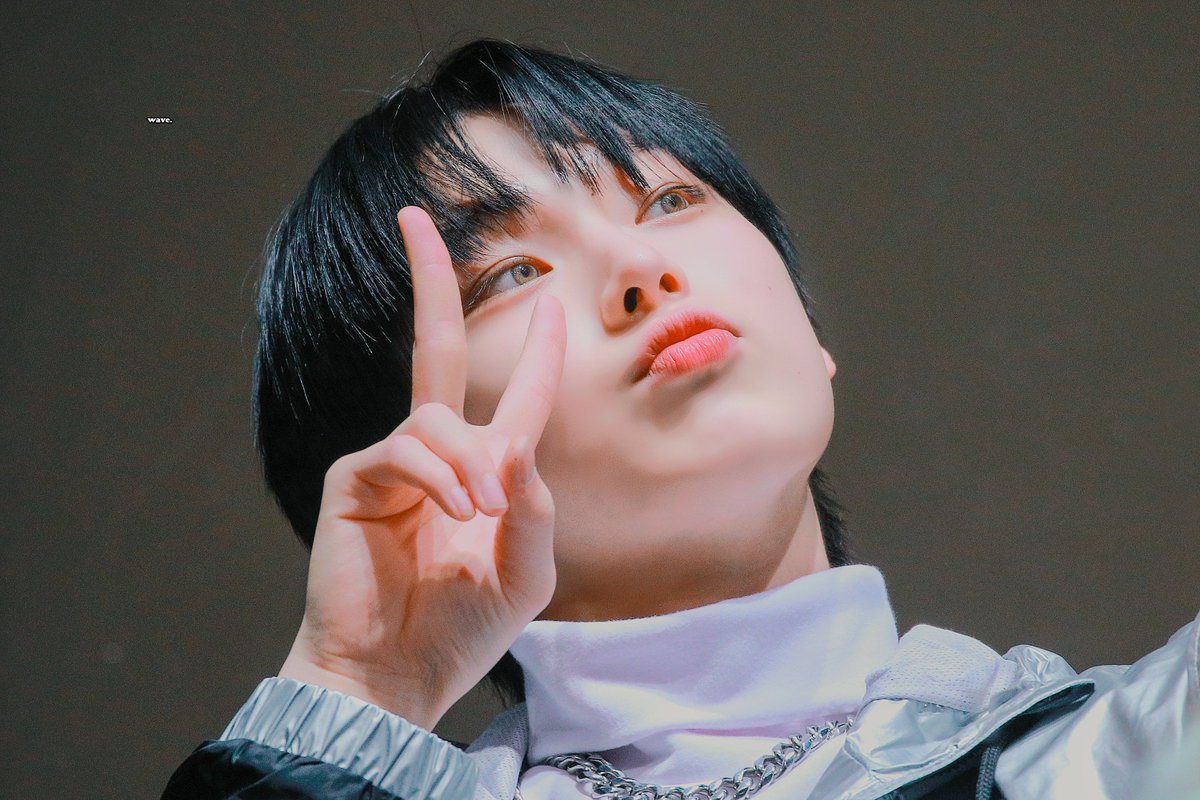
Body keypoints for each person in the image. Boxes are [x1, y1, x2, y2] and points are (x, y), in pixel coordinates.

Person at [161, 39, 1199, 800]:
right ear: (411, 448)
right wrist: (358, 688)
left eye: (667, 201)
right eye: (512, 272)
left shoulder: (1126, 752)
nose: (639, 267)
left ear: (811, 335)